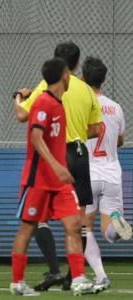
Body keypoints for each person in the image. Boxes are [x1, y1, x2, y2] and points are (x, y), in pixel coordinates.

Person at [13, 41, 102, 291]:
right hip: (46, 171)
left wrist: (18, 98)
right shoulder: (44, 100)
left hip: (62, 170)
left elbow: (22, 116)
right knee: (29, 226)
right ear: (66, 74)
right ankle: (18, 282)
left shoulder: (58, 102)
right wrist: (57, 164)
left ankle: (77, 279)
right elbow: (36, 136)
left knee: (74, 224)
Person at [82, 57, 132, 290]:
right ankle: (116, 221)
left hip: (88, 173)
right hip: (112, 173)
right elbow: (120, 140)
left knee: (85, 228)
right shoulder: (116, 107)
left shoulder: (82, 105)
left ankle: (101, 276)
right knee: (109, 233)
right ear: (104, 79)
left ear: (82, 78)